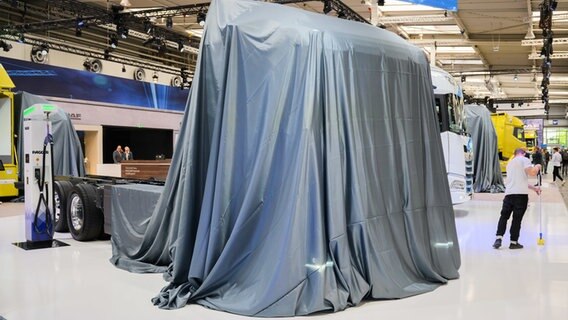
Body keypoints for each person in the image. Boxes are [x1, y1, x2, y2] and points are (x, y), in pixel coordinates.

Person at [493, 148, 541, 250]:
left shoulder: (510, 164)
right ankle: (513, 242)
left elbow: (519, 180)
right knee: (516, 219)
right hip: (521, 196)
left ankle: (498, 238)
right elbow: (532, 173)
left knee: (504, 217)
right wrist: (537, 166)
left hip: (509, 195)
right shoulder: (524, 160)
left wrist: (534, 188)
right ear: (523, 153)